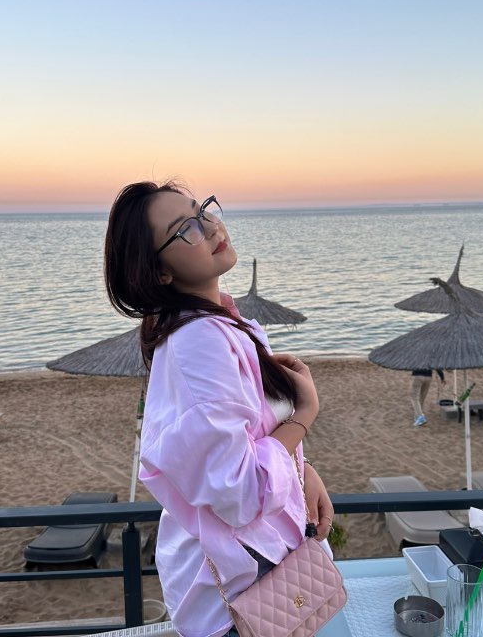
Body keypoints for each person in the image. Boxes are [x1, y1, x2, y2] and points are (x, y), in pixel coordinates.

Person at [104, 181, 334, 637]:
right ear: (160, 272)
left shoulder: (223, 323)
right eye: (185, 228)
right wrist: (304, 416)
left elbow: (245, 440)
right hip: (238, 597)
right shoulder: (199, 342)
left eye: (202, 210)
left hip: (264, 574)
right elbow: (241, 492)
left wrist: (302, 469)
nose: (210, 226)